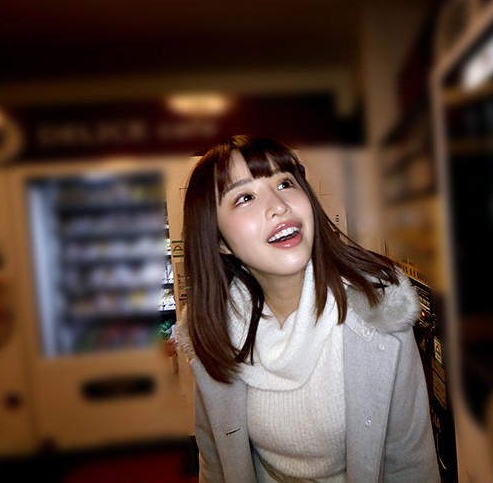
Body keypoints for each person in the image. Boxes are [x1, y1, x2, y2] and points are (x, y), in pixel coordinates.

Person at [176, 135, 440, 482]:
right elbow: (215, 465)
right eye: (244, 197)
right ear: (219, 241)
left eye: (284, 183)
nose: (278, 206)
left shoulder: (377, 313)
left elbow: (411, 463)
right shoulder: (213, 333)